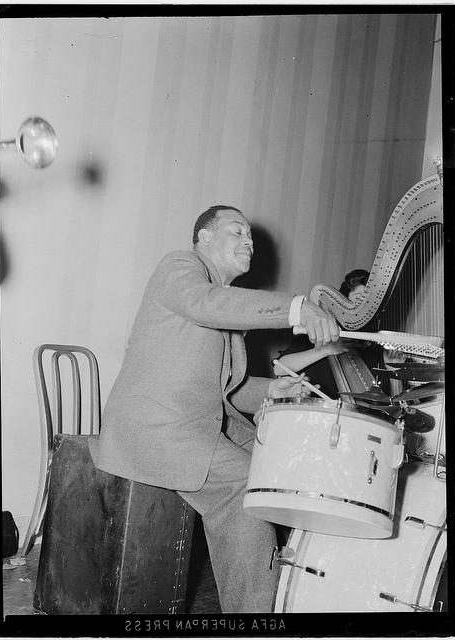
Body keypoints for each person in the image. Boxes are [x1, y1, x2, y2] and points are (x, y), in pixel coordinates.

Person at [90, 205, 339, 613]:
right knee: (249, 483)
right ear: (204, 237)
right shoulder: (180, 267)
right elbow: (207, 303)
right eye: (236, 232)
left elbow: (225, 389)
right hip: (154, 428)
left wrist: (273, 387)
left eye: (251, 237)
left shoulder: (222, 308)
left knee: (272, 467)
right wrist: (296, 308)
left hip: (189, 428)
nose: (249, 242)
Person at [273, 269, 370, 397]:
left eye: (366, 301)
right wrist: (325, 350)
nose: (362, 305)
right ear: (343, 304)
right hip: (310, 407)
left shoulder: (365, 343)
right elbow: (279, 368)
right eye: (358, 298)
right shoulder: (318, 330)